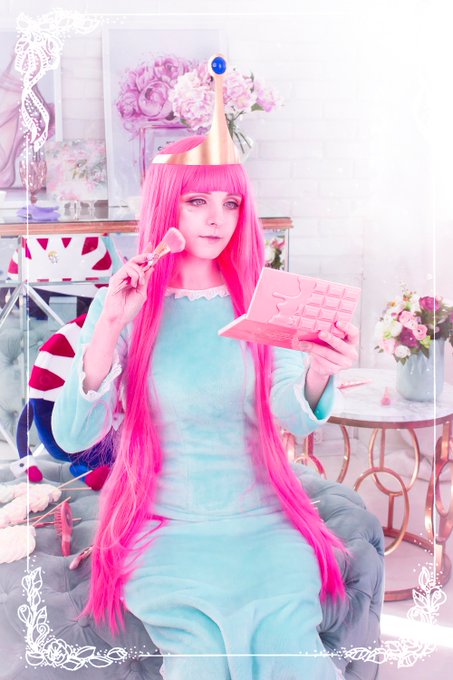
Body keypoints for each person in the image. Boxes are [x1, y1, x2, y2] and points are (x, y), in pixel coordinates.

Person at [52, 56, 359, 680]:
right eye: (197, 201)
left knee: (291, 652)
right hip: (165, 528)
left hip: (263, 522)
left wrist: (319, 370)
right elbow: (73, 435)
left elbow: (290, 411)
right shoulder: (127, 303)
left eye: (230, 203)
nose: (217, 218)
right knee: (201, 658)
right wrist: (109, 327)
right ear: (169, 206)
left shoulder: (261, 300)